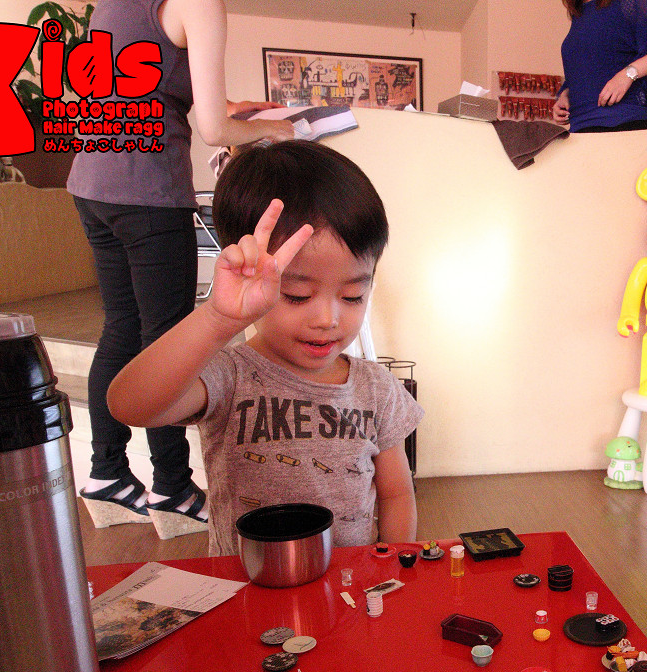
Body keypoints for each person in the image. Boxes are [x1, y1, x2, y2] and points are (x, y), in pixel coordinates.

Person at [106, 141, 423, 557]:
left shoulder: (376, 388)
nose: (327, 319)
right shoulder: (229, 375)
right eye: (296, 295)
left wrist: (393, 566)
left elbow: (397, 494)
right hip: (247, 582)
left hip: (350, 583)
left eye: (352, 296)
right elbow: (129, 405)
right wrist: (218, 319)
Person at [68, 0, 295, 539]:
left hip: (93, 183)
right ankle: (171, 486)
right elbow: (214, 130)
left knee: (121, 327)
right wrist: (281, 130)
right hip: (147, 191)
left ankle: (107, 475)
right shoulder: (199, 3)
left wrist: (234, 107)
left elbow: (143, 87)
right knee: (168, 339)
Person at [552, 0, 647, 132]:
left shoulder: (629, 3)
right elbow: (594, 63)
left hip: (623, 125)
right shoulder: (580, 11)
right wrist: (566, 94)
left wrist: (628, 74)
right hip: (579, 129)